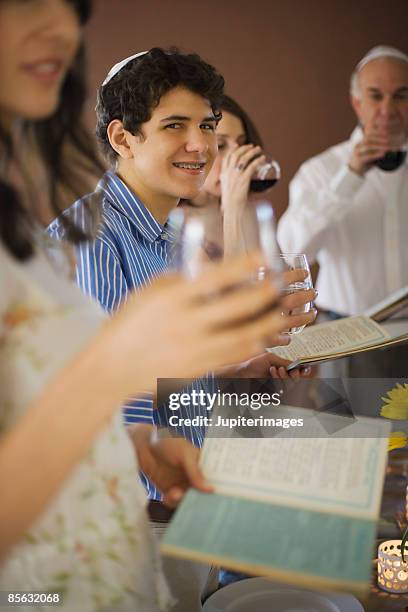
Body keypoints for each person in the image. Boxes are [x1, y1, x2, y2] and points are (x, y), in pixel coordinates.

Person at [0, 2, 297, 610]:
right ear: (121, 137)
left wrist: (228, 374)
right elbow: (91, 393)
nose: (201, 144)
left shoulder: (165, 238)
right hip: (133, 519)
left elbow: (135, 383)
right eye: (174, 126)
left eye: (208, 124)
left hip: (171, 504)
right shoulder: (96, 239)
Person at [278, 45, 408, 318]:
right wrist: (349, 177)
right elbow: (291, 251)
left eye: (400, 96)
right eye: (375, 96)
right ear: (357, 102)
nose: (388, 109)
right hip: (349, 331)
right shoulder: (319, 170)